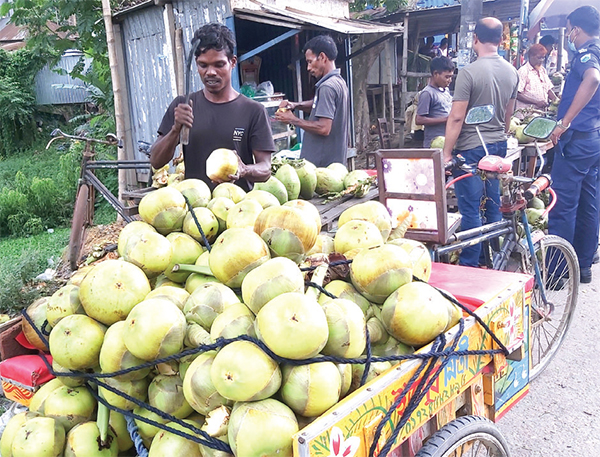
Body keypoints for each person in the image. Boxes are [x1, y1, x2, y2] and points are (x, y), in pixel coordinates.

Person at [150, 23, 275, 191]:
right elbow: (156, 161)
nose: (210, 72)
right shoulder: (184, 106)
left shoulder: (253, 111)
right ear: (196, 64)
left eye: (219, 64)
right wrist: (175, 130)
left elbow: (266, 168)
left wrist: (244, 169)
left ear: (232, 62)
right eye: (203, 65)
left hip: (238, 209)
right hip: (196, 208)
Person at [442, 17, 519, 267]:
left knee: (471, 209)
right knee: (493, 205)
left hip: (472, 149)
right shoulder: (512, 72)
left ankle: (470, 265)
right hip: (498, 145)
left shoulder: (468, 73)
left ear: (475, 39)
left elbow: (456, 117)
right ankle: (496, 258)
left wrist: (446, 153)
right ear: (499, 40)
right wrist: (500, 132)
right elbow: (509, 113)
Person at [548, 5, 600, 284]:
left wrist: (564, 122)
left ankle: (556, 273)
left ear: (576, 30)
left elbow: (592, 78)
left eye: (569, 30)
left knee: (563, 205)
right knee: (589, 203)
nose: (569, 35)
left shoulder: (586, 54)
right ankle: (584, 265)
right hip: (593, 140)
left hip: (577, 140)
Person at [274, 35, 349, 168]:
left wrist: (293, 120)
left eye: (309, 61)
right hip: (334, 164)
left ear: (322, 57)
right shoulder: (338, 82)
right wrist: (295, 105)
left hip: (322, 168)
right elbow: (320, 105)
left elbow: (324, 128)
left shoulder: (327, 87)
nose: (308, 68)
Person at [416, 56, 455, 147]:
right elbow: (419, 119)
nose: (449, 80)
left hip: (446, 141)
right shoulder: (427, 93)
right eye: (447, 77)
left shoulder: (445, 90)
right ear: (436, 74)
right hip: (434, 144)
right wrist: (446, 119)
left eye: (451, 77)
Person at [516, 44, 558, 114]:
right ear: (531, 56)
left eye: (543, 58)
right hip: (526, 114)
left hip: (541, 113)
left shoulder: (542, 70)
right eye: (539, 58)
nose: (541, 61)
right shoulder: (523, 71)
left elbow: (548, 89)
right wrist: (536, 102)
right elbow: (517, 94)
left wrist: (556, 100)